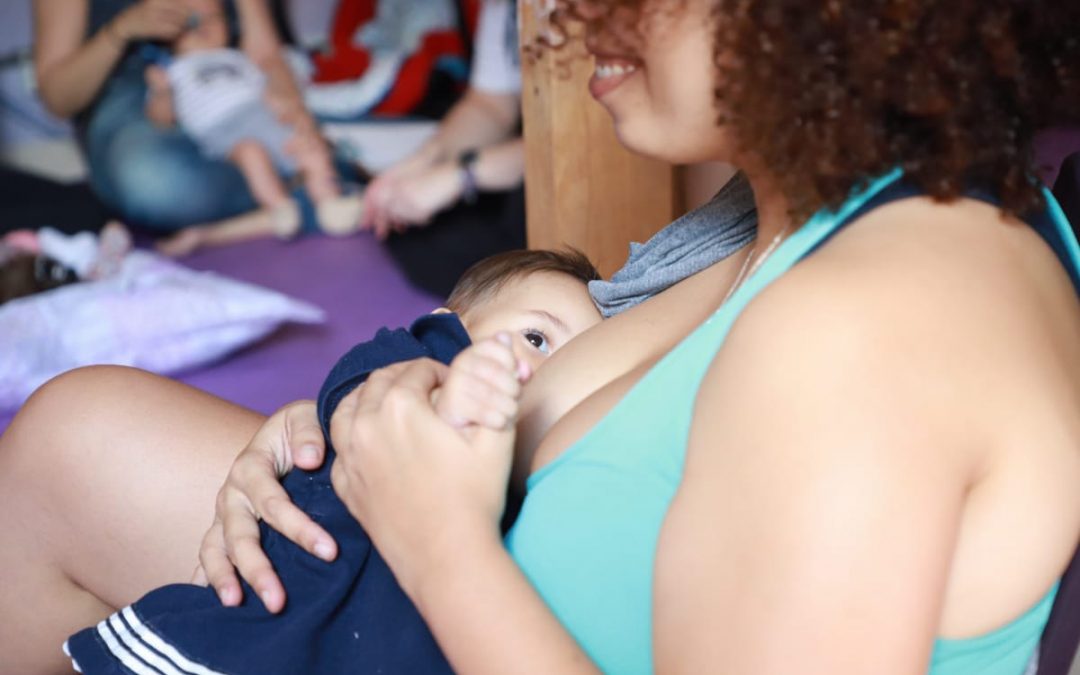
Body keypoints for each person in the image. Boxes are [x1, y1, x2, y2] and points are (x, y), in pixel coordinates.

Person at [2, 1, 1079, 674]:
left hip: (458, 609)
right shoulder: (778, 215)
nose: (572, 14)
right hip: (424, 599)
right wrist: (344, 439)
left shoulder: (877, 324)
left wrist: (441, 546)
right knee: (77, 436)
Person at [63, 248, 603, 674]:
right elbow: (357, 387)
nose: (549, 369)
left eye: (577, 360)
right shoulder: (414, 362)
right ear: (447, 323)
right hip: (283, 616)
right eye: (537, 337)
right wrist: (448, 390)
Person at [32, 0, 331, 232]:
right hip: (134, 95)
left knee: (308, 146)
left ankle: (279, 201)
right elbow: (58, 99)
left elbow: (265, 54)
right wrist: (122, 30)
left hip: (233, 83)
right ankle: (303, 192)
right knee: (154, 180)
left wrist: (292, 109)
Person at [138, 0, 362, 253]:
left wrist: (286, 108)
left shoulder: (237, 58)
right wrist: (161, 92)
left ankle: (329, 202)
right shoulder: (173, 70)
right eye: (192, 20)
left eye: (215, 17)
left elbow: (266, 84)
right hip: (224, 130)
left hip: (263, 118)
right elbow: (160, 119)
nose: (205, 26)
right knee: (250, 154)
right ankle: (279, 208)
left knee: (311, 148)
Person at [368, 0, 528, 297]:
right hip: (523, 156)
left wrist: (462, 174)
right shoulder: (501, 7)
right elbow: (491, 106)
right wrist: (424, 160)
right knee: (413, 231)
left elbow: (587, 143)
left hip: (581, 168)